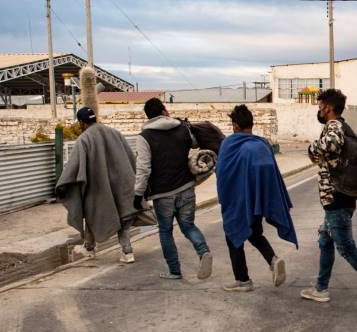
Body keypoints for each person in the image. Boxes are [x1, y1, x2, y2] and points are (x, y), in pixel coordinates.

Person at [301, 88, 357, 306]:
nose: (318, 110)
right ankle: (321, 289)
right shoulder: (344, 126)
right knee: (325, 240)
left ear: (328, 108)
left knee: (346, 248)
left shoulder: (334, 126)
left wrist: (312, 149)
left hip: (337, 198)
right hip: (339, 197)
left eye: (320, 106)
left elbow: (331, 143)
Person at [217, 104, 296, 292]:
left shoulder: (229, 144)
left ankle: (242, 280)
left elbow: (222, 173)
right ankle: (273, 260)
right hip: (258, 202)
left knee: (233, 235)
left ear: (235, 125)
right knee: (254, 234)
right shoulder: (262, 145)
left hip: (238, 201)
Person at [135, 97, 213, 280]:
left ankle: (174, 270)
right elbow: (195, 143)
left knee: (165, 231)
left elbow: (143, 169)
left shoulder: (144, 137)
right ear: (164, 110)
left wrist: (138, 194)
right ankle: (203, 251)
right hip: (186, 187)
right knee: (188, 226)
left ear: (148, 116)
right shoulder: (182, 129)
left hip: (162, 194)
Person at [56, 107, 139, 263]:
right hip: (121, 185)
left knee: (92, 214)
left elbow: (73, 167)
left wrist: (62, 185)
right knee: (122, 216)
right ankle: (124, 251)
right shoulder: (115, 133)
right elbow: (130, 158)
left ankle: (93, 248)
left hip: (98, 188)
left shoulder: (84, 139)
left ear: (81, 122)